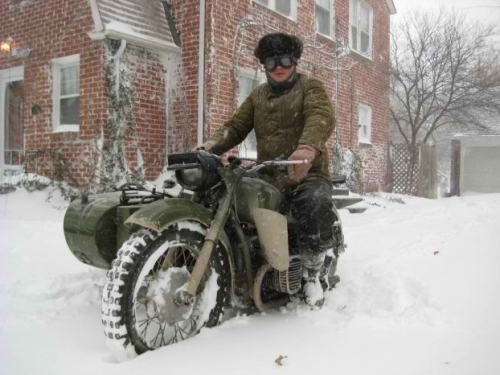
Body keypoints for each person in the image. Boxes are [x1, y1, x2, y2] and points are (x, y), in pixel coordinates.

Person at [200, 33, 337, 308]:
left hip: (304, 171)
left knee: (313, 202)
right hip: (269, 172)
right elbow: (236, 126)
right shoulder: (258, 96)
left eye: (285, 59)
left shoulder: (310, 87)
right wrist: (209, 147)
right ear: (264, 65)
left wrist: (307, 148)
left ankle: (311, 273)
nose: (278, 66)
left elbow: (321, 115)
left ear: (295, 61)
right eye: (271, 61)